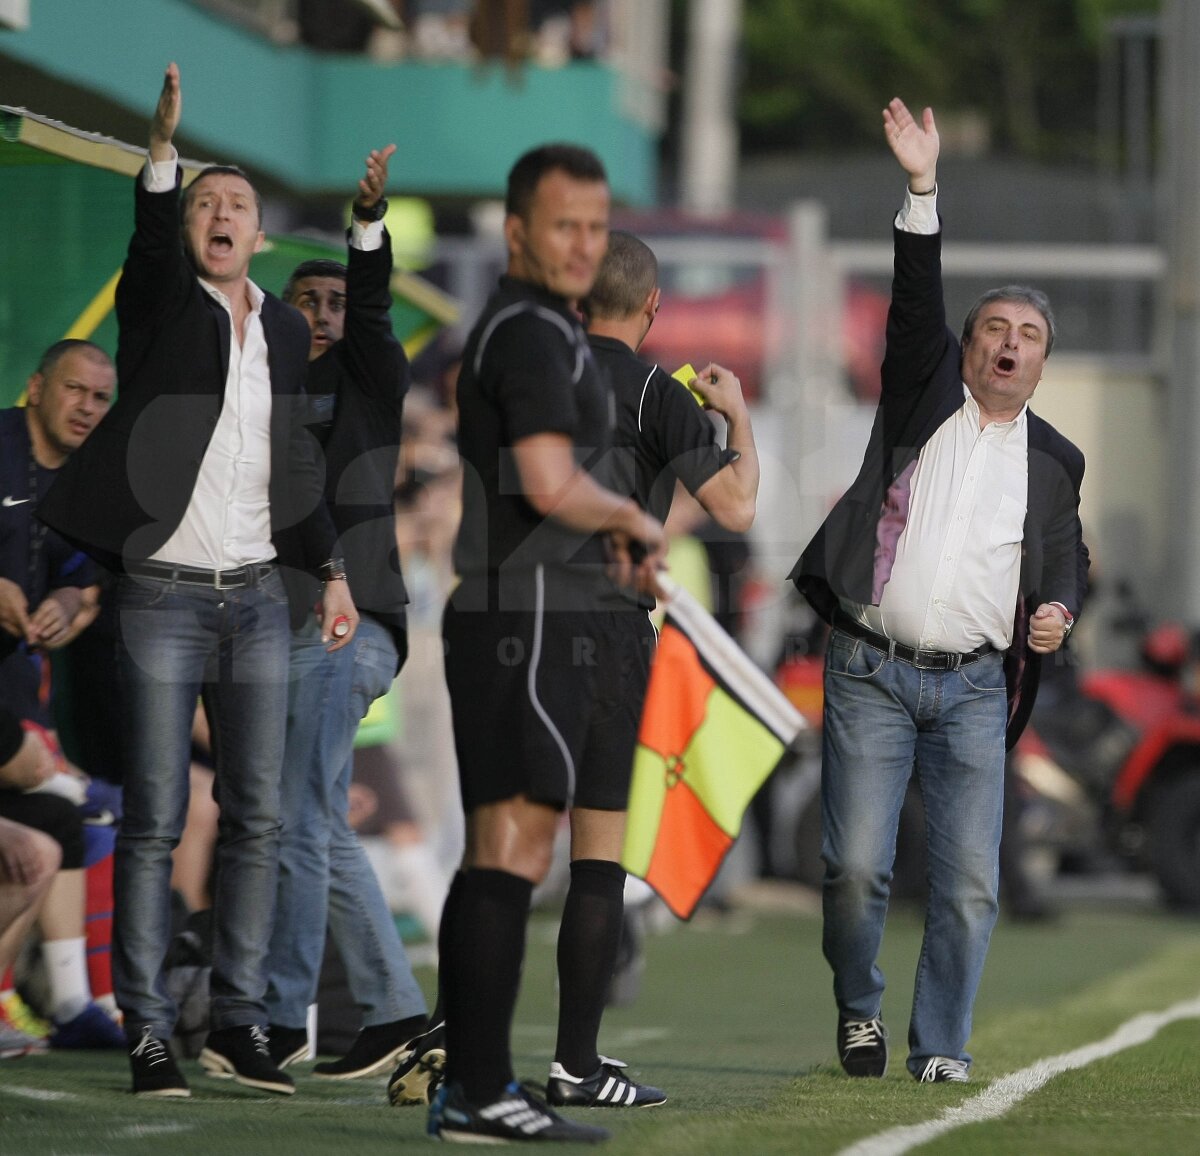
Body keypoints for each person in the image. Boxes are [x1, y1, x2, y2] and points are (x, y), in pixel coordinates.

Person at [37, 63, 357, 1099]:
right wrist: (163, 155)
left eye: (239, 206)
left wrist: (334, 571)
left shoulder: (285, 329)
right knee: (159, 814)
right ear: (190, 226)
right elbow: (150, 237)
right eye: (207, 204)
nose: (221, 215)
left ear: (262, 236)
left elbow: (293, 465)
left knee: (261, 812)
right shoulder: (161, 300)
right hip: (164, 595)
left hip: (260, 594)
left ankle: (239, 1018)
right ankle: (145, 1027)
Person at [788, 98, 1088, 1085]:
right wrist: (922, 188)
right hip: (871, 670)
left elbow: (1061, 554)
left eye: (1028, 334)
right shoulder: (924, 392)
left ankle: (942, 1044)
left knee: (965, 885)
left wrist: (1056, 610)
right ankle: (857, 1006)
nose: (1009, 343)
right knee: (857, 870)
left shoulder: (1057, 459)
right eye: (994, 328)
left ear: (1043, 360)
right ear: (968, 349)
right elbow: (916, 296)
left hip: (969, 691)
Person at [419, 143, 665, 1144]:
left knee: (499, 847)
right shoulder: (527, 331)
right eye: (564, 225)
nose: (581, 244)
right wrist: (634, 522)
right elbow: (549, 479)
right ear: (518, 231)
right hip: (521, 617)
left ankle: (463, 1079)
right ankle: (479, 1089)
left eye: (596, 227)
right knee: (513, 847)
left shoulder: (541, 329)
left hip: (520, 610)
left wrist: (611, 537)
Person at [263, 143, 431, 1081]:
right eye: (306, 302)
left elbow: (368, 308)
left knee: (305, 814)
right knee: (288, 817)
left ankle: (373, 1010)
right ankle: (291, 1013)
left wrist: (364, 230)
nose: (324, 316)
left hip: (350, 622)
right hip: (276, 629)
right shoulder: (263, 392)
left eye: (335, 303)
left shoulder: (369, 377)